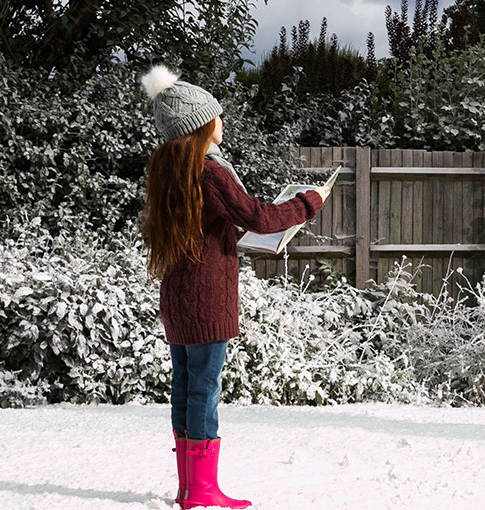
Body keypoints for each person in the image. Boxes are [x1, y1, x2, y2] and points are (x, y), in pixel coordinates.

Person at [139, 65, 324, 509]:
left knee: (185, 387)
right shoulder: (210, 171)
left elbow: (205, 226)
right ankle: (201, 493)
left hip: (178, 297)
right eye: (216, 116)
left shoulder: (169, 171)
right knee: (204, 388)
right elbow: (259, 216)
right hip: (207, 297)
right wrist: (306, 203)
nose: (222, 122)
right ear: (201, 125)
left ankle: (189, 487)